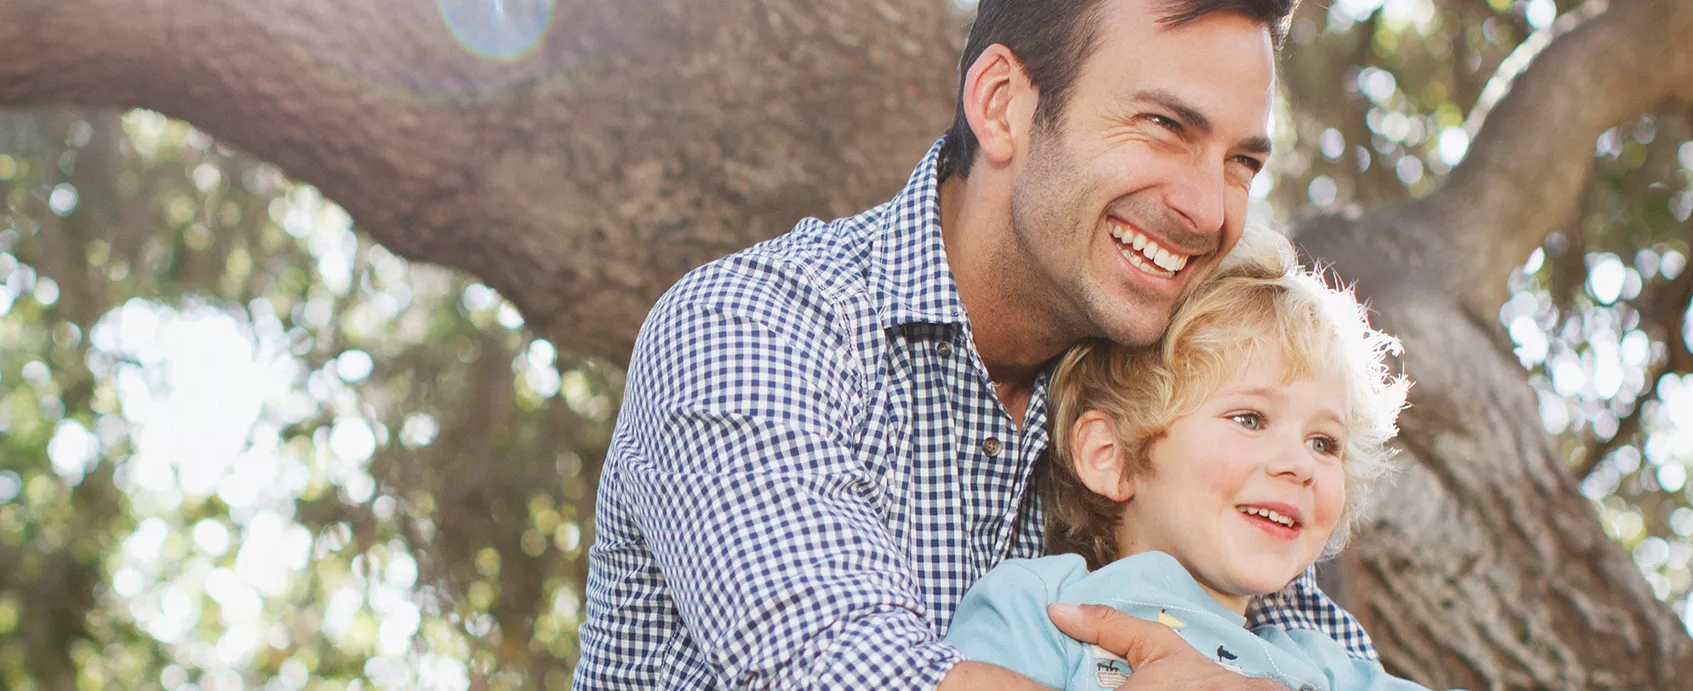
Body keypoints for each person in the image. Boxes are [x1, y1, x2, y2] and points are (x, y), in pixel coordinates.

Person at [575, 0, 1380, 688]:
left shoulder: (1171, 393)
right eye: (1165, 126)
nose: (1210, 210)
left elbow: (1311, 647)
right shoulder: (751, 326)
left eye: (1241, 162)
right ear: (1001, 105)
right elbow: (841, 666)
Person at [942, 227, 1420, 690]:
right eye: (1250, 419)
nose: (1300, 465)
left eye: (1324, 443)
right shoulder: (1040, 605)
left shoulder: (1327, 668)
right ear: (1110, 455)